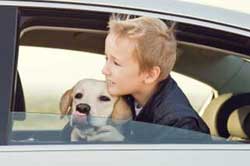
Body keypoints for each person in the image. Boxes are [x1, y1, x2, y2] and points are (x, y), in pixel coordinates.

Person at [102, 15, 210, 134]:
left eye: (116, 63)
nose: (105, 70)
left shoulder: (179, 126)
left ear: (150, 75)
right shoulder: (126, 98)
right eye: (106, 58)